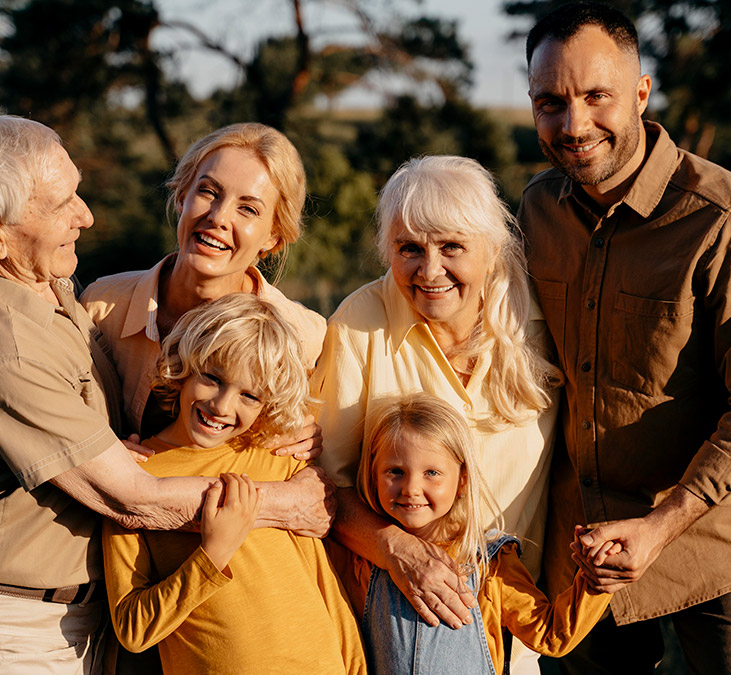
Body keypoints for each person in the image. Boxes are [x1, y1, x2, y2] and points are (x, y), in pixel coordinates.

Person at [0, 115, 333, 674]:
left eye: (249, 208)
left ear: (276, 234)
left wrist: (317, 456)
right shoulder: (67, 321)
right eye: (62, 204)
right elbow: (129, 496)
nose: (85, 215)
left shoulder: (50, 288)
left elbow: (338, 479)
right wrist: (291, 502)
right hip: (15, 626)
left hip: (237, 639)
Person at [518, 3, 731, 672]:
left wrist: (662, 523)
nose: (574, 124)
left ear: (641, 94)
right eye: (550, 102)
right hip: (581, 550)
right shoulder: (535, 212)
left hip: (718, 544)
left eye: (596, 96)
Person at [313, 155, 561, 673]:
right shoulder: (360, 324)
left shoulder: (541, 319)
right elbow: (325, 484)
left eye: (452, 247)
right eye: (409, 249)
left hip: (513, 627)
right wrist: (399, 552)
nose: (430, 271)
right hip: (397, 624)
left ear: (490, 249)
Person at [102, 293, 366, 674]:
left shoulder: (277, 461)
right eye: (212, 378)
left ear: (266, 404)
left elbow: (325, 586)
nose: (223, 406)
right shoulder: (134, 476)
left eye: (249, 395)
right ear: (184, 367)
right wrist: (211, 556)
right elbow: (133, 628)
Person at [82, 122, 325, 456]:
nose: (219, 216)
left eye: (248, 208)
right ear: (182, 195)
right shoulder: (100, 307)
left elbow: (311, 450)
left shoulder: (305, 338)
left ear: (273, 237)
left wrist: (313, 438)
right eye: (208, 191)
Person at [334, 393, 610, 674]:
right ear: (372, 473)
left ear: (462, 479)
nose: (411, 488)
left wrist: (596, 580)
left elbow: (550, 635)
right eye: (395, 471)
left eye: (431, 472)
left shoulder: (489, 563)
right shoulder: (360, 556)